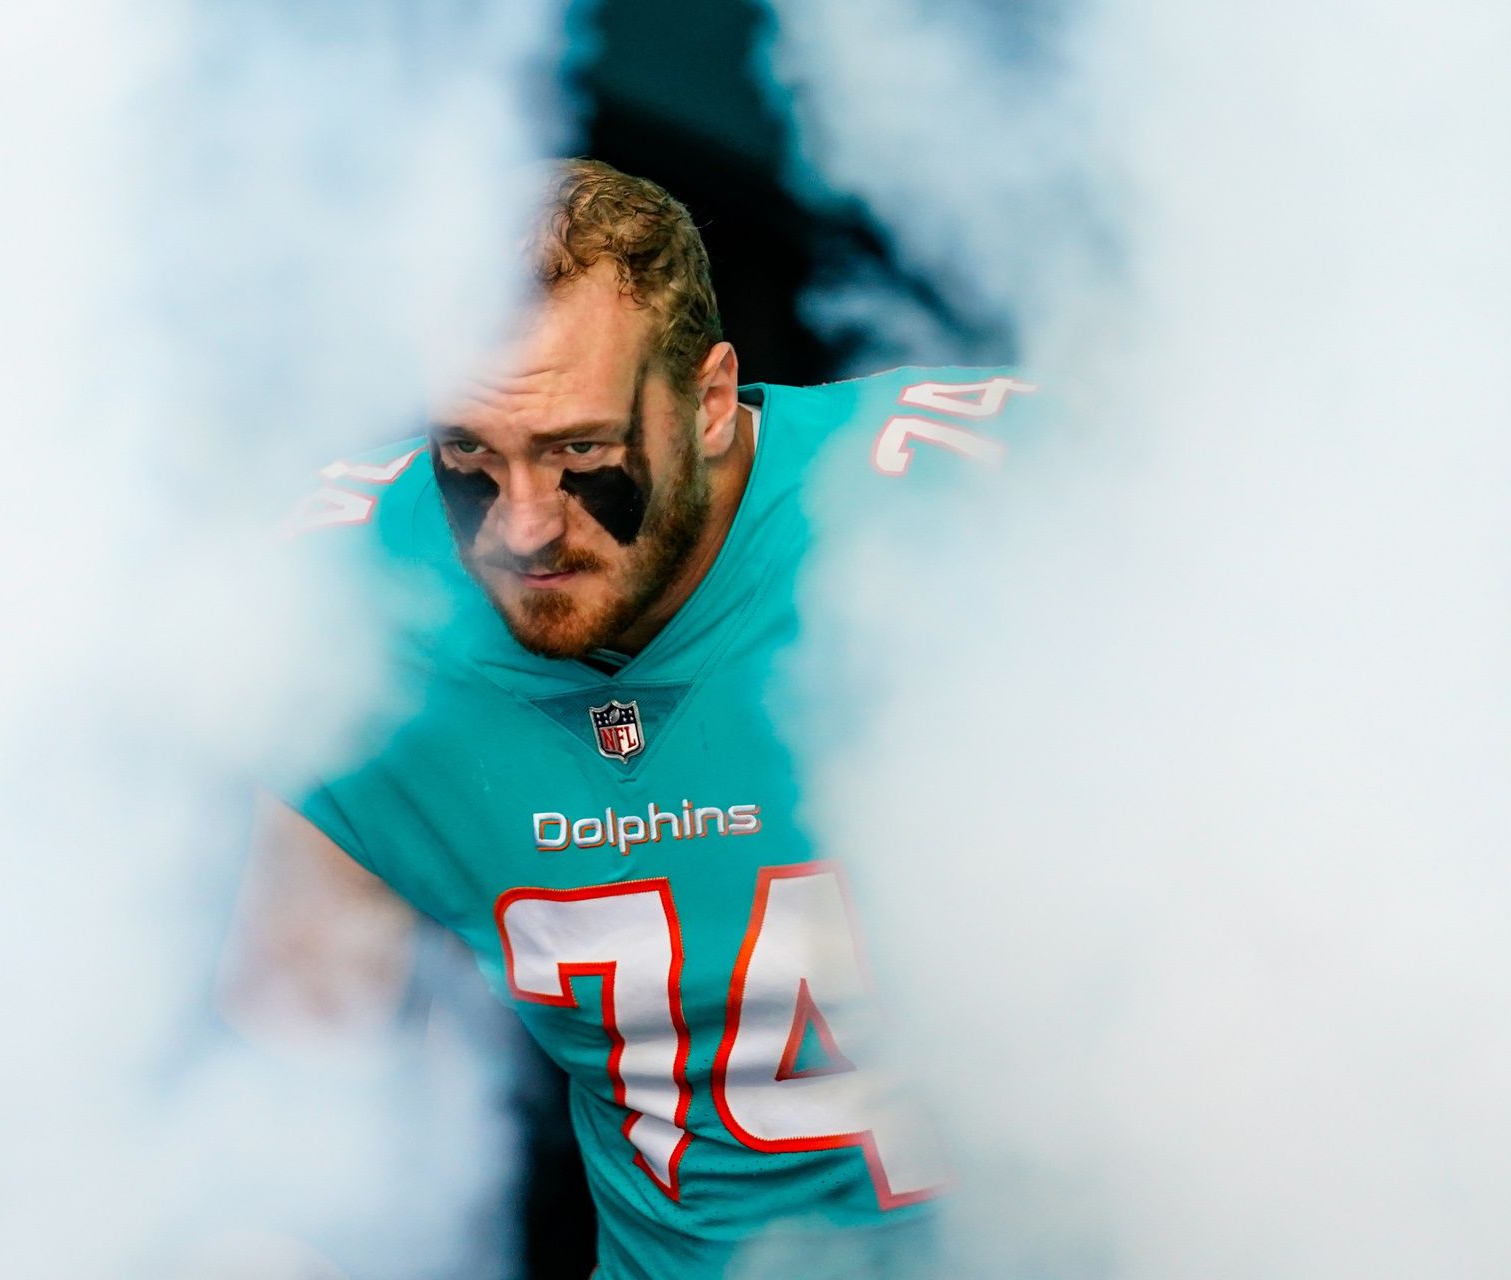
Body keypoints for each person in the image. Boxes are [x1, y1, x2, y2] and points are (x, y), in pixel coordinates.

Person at [224, 158, 1044, 1279]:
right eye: (470, 456)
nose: (520, 523)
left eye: (582, 457)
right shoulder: (360, 616)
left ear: (710, 403)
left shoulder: (981, 506)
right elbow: (294, 1112)